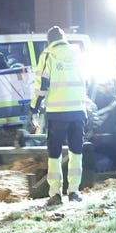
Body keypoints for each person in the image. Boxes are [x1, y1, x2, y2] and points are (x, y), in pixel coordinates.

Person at [31, 26, 87, 206]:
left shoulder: (47, 55)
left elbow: (42, 86)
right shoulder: (78, 54)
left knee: (54, 154)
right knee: (76, 152)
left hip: (56, 113)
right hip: (78, 111)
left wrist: (34, 108)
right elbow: (86, 80)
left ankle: (55, 194)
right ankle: (74, 191)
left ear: (49, 40)